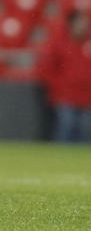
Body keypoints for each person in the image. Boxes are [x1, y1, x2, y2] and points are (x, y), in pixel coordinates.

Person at [39, 8, 91, 143]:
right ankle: (58, 160)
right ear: (71, 24)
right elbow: (46, 70)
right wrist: (59, 87)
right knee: (66, 127)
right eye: (81, 23)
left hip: (87, 97)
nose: (84, 26)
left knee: (85, 131)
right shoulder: (59, 44)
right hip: (65, 97)